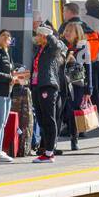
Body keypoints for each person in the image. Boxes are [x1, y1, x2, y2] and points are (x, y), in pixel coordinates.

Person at [0, 30, 25, 162]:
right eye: (3, 35)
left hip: (6, 93)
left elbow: (7, 71)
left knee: (2, 123)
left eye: (8, 36)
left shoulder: (7, 53)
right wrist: (10, 78)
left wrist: (15, 75)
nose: (6, 37)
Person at [29, 22, 67, 163]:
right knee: (41, 119)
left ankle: (50, 152)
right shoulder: (40, 49)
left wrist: (50, 35)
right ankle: (46, 150)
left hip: (48, 86)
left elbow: (59, 46)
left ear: (45, 36)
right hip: (37, 86)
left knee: (49, 119)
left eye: (39, 34)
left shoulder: (52, 49)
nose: (37, 37)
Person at [60, 22, 92, 151]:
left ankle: (74, 139)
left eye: (70, 31)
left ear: (77, 33)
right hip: (62, 82)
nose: (67, 33)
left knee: (73, 112)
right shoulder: (60, 45)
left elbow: (88, 66)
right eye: (66, 30)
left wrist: (89, 88)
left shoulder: (83, 46)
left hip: (77, 84)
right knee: (62, 111)